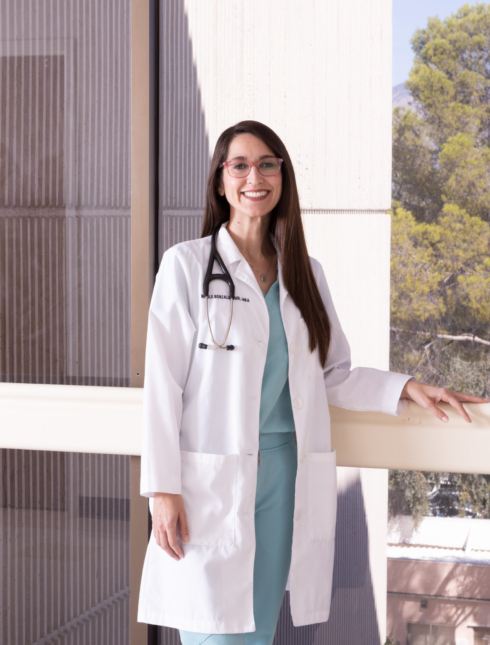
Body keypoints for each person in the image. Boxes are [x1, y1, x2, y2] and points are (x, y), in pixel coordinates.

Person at [137, 120, 488, 645]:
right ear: (219, 181)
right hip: (211, 481)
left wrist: (406, 387)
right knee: (214, 631)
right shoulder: (186, 267)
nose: (254, 176)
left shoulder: (305, 273)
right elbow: (162, 388)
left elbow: (333, 376)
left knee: (257, 631)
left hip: (283, 476)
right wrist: (162, 489)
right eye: (240, 165)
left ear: (282, 176)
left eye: (267, 164)